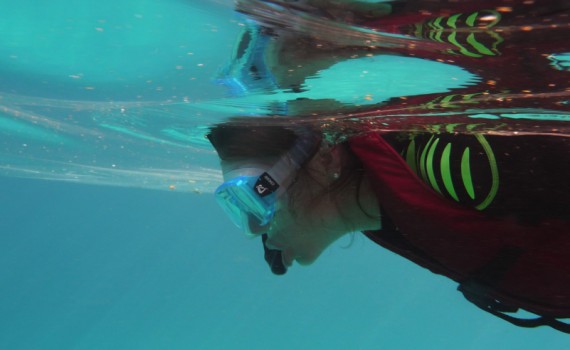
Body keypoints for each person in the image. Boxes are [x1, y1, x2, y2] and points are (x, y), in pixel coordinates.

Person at [209, 0, 570, 332]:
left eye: (251, 198)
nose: (254, 231)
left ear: (324, 158)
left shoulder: (450, 167)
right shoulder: (393, 200)